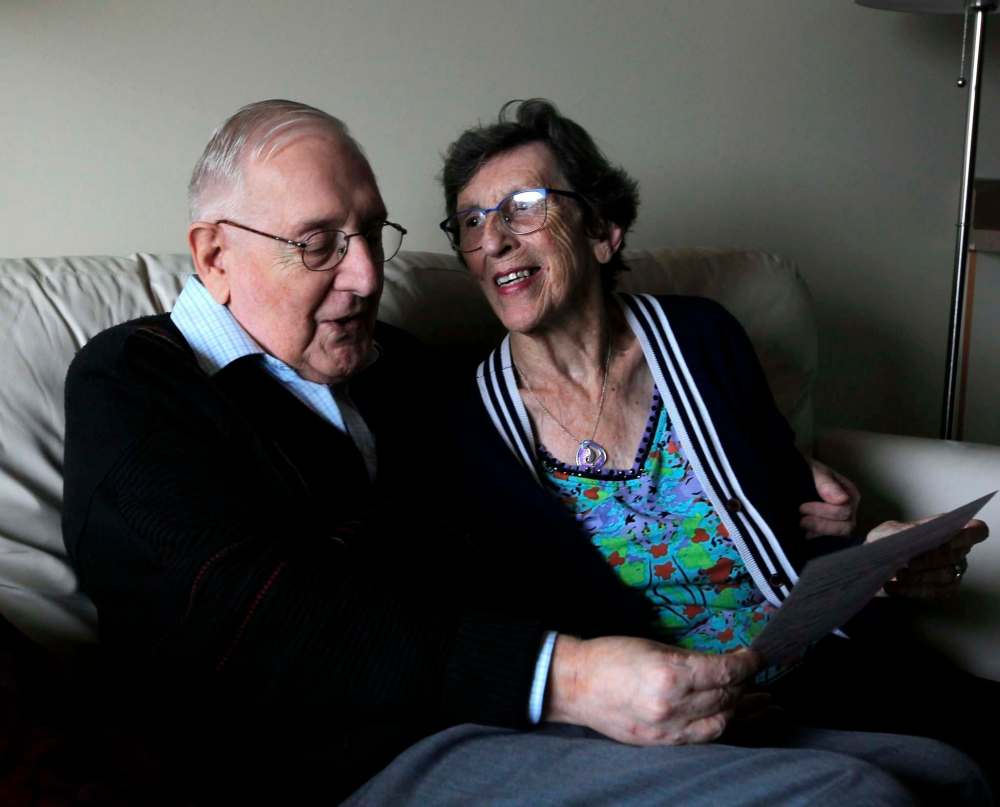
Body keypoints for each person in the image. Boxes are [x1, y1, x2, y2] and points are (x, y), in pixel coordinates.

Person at [61, 99, 987, 805]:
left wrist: (827, 517)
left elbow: (546, 533)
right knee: (850, 796)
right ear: (214, 255)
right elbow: (255, 616)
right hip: (345, 761)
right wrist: (566, 674)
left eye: (371, 236)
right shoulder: (134, 384)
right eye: (317, 245)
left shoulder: (396, 378)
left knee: (944, 770)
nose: (366, 277)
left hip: (493, 712)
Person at [430, 98, 997, 799]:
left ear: (604, 230)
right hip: (663, 722)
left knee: (969, 760)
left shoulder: (703, 339)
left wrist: (874, 557)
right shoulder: (467, 423)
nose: (494, 238)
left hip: (813, 667)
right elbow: (506, 626)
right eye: (473, 219)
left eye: (524, 205)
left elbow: (795, 523)